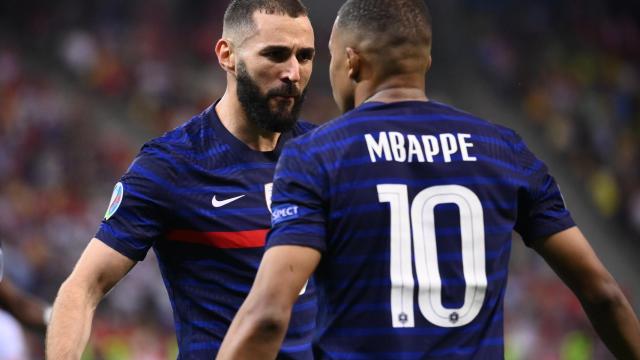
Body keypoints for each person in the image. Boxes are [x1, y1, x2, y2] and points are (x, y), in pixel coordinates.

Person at [217, 0, 640, 358]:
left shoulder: (318, 155)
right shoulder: (504, 150)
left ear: (351, 61)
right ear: (427, 61)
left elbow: (269, 315)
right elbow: (602, 293)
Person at [46, 0, 317, 358]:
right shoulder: (173, 165)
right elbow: (83, 287)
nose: (293, 72)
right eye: (276, 54)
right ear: (227, 55)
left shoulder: (322, 155)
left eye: (304, 56)